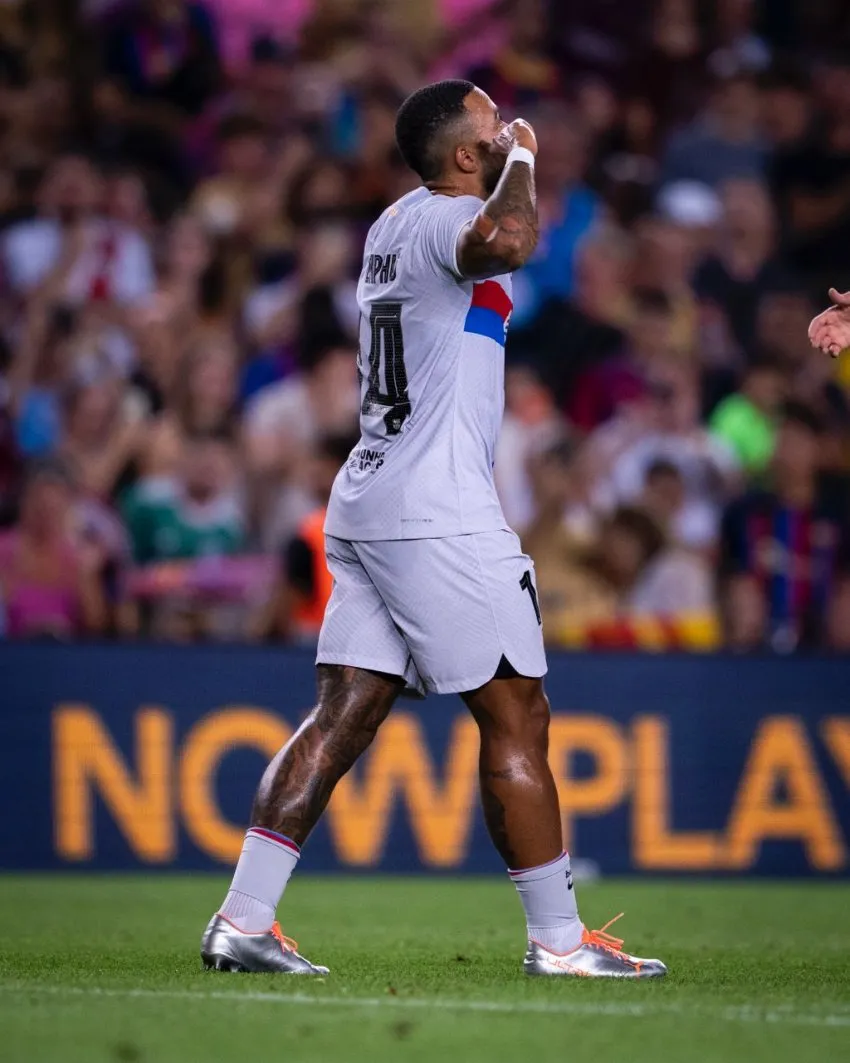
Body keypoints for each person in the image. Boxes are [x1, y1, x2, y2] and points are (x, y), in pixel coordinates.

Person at [201, 80, 666, 979]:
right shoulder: (443, 223)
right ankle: (561, 944)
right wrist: (526, 159)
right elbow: (509, 239)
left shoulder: (396, 225)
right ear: (465, 156)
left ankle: (243, 920)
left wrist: (510, 163)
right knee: (516, 714)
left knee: (343, 714)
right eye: (493, 128)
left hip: (376, 497)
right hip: (436, 512)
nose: (508, 132)